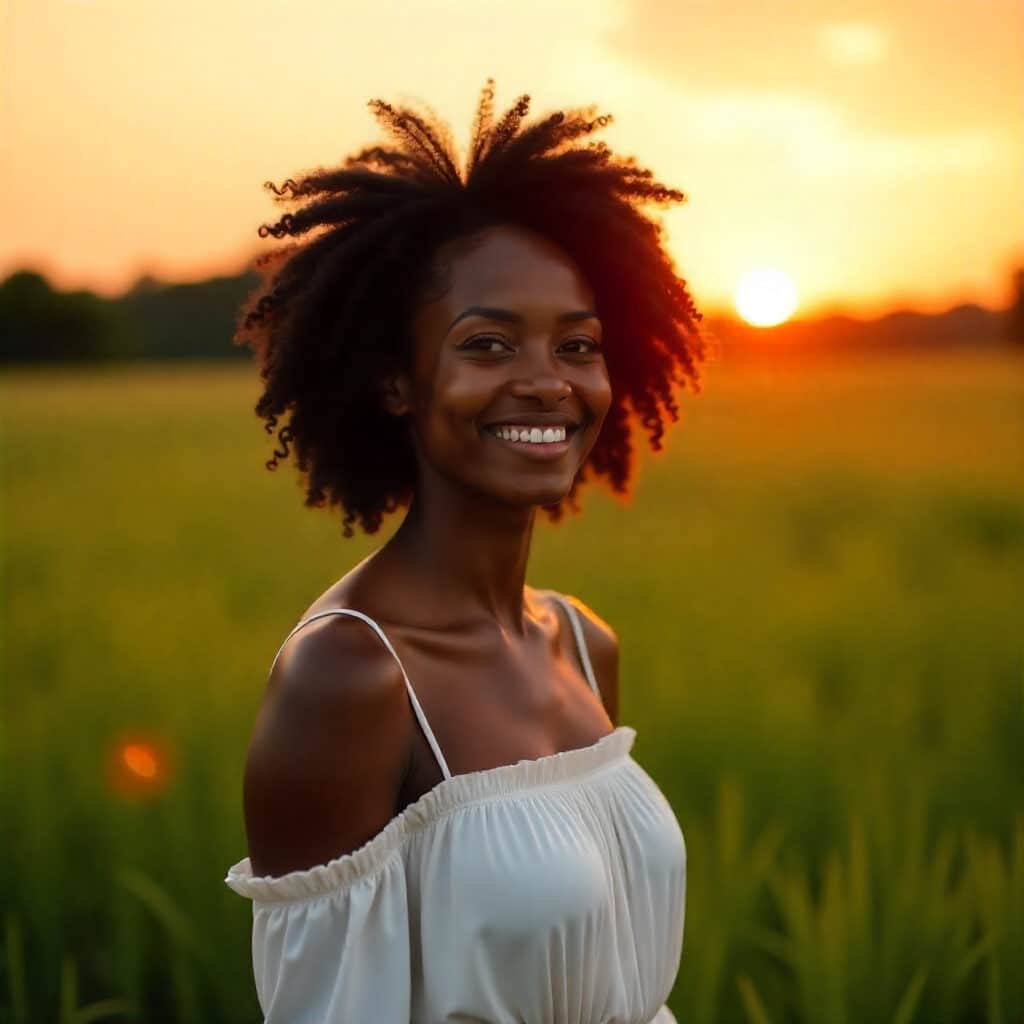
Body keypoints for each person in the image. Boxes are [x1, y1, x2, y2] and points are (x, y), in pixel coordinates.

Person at [224, 78, 708, 1024]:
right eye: (487, 346)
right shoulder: (351, 677)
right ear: (397, 381)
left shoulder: (581, 644)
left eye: (578, 346)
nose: (547, 384)